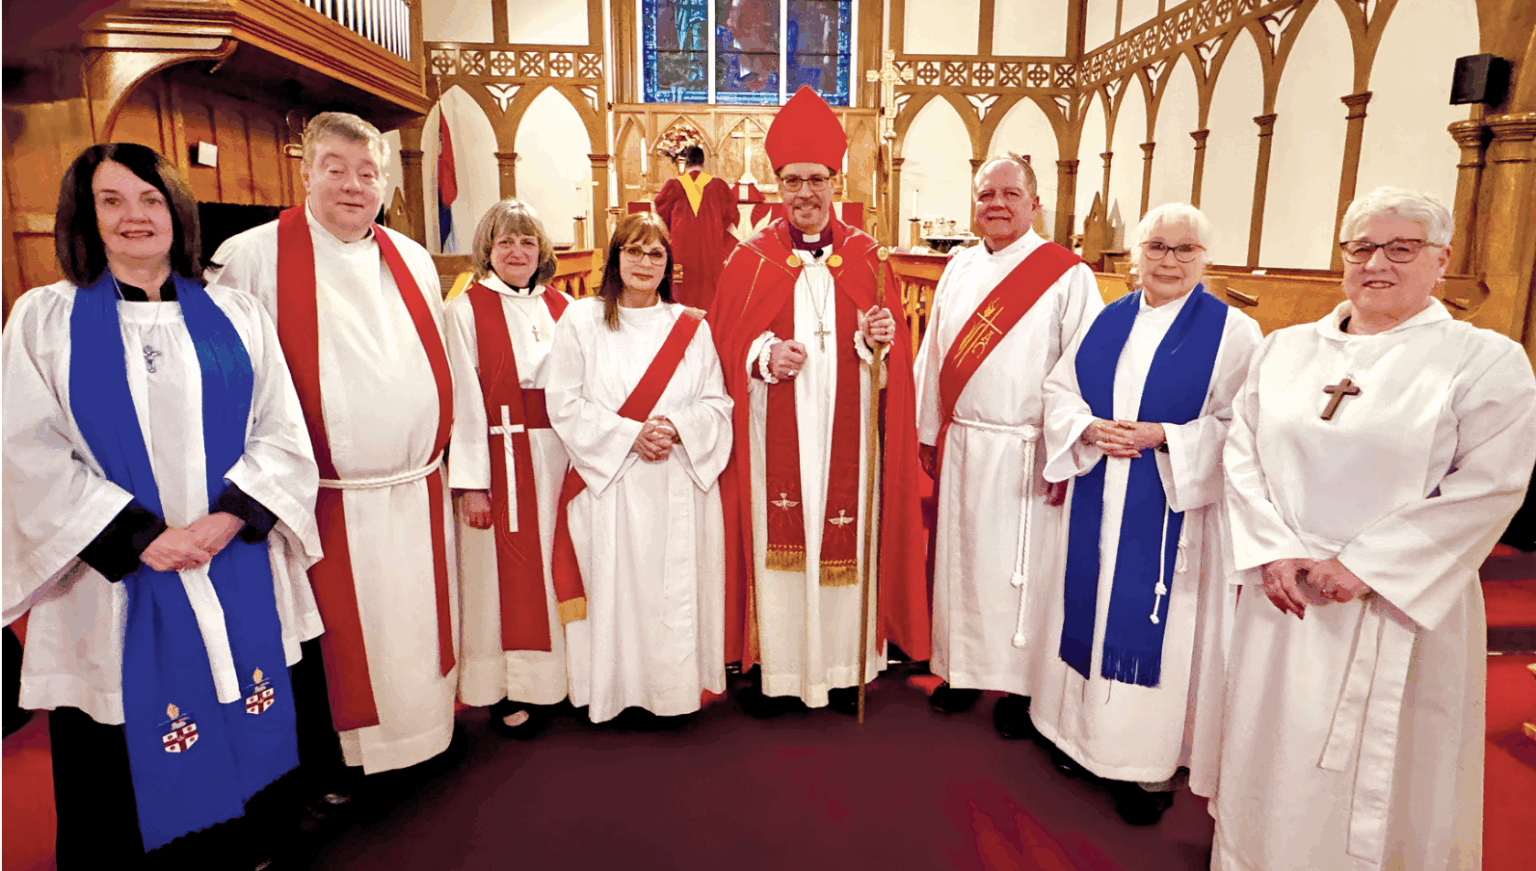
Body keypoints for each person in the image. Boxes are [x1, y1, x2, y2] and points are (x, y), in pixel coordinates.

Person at [2, 143, 321, 868]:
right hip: (111, 575)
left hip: (229, 551)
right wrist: (137, 535)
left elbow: (281, 429)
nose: (134, 216)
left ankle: (247, 843)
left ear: (176, 209)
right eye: (111, 201)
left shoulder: (236, 314)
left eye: (149, 199)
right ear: (85, 216)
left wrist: (231, 515)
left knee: (241, 683)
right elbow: (25, 452)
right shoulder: (44, 321)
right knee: (124, 729)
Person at [1211, 187, 1536, 870]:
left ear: (1440, 259)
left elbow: (1492, 484)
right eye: (1361, 247)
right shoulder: (1284, 350)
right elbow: (1241, 453)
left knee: (1385, 774)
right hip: (1286, 596)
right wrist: (1273, 549)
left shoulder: (1484, 360)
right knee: (1273, 751)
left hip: (1399, 604)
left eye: (1401, 247)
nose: (1377, 263)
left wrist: (1366, 565)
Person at [206, 112, 458, 797]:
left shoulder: (411, 258)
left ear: (383, 182)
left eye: (367, 172)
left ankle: (425, 733)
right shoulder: (252, 257)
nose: (353, 185)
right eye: (337, 169)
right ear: (307, 171)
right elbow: (226, 384)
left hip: (414, 489)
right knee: (341, 638)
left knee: (415, 625)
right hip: (324, 498)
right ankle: (341, 762)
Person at [1034, 203, 1262, 824]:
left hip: (1171, 511)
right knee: (1089, 604)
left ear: (1205, 259)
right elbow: (1060, 390)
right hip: (1097, 494)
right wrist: (1084, 426)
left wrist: (1164, 436)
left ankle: (1146, 766)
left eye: (1185, 249)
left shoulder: (1233, 333)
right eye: (1157, 247)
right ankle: (1078, 738)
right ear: (1135, 256)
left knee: (1160, 623)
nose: (1169, 260)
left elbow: (1243, 429)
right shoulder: (1108, 319)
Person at [711, 85, 930, 715]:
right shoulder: (748, 260)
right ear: (777, 185)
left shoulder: (869, 258)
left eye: (817, 180)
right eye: (792, 181)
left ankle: (841, 666)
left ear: (836, 181)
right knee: (779, 540)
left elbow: (895, 369)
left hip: (848, 437)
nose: (805, 193)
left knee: (845, 538)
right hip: (770, 438)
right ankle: (781, 670)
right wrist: (760, 356)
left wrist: (875, 342)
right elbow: (723, 349)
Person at [913, 154, 1102, 738]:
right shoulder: (958, 267)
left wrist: (1062, 445)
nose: (996, 204)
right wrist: (927, 431)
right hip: (966, 441)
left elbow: (1085, 367)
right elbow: (934, 358)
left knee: (1024, 570)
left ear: (1035, 203)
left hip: (1028, 450)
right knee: (963, 561)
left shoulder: (1067, 273)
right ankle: (960, 670)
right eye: (985, 194)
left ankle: (1021, 686)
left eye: (1009, 194)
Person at [546, 212, 733, 724]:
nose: (644, 262)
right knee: (616, 587)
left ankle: (672, 692)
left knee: (671, 589)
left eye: (655, 253)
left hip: (674, 479)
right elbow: (562, 402)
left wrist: (674, 427)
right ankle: (615, 690)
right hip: (611, 484)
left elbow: (718, 402)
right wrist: (631, 435)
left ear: (668, 264)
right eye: (633, 251)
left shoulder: (691, 327)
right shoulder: (582, 321)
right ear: (614, 258)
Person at [448, 200, 574, 738]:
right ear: (488, 251)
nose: (517, 252)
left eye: (527, 242)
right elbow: (462, 399)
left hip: (560, 457)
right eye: (505, 243)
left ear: (542, 251)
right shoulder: (464, 309)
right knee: (495, 577)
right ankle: (502, 685)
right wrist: (473, 483)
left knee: (556, 564)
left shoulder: (566, 306)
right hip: (500, 457)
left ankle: (558, 678)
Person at [654, 144, 739, 311]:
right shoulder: (718, 185)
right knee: (710, 291)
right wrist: (716, 231)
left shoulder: (674, 185)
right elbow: (731, 215)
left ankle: (682, 324)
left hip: (682, 249)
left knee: (683, 289)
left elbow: (660, 216)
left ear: (685, 163)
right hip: (712, 248)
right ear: (703, 162)